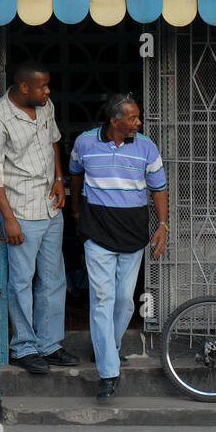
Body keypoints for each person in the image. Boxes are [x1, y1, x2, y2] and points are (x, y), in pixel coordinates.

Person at [0, 64, 79, 374]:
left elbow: (53, 142)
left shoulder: (44, 106)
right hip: (21, 209)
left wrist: (59, 179)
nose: (48, 91)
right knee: (22, 281)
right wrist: (8, 217)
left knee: (53, 278)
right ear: (24, 87)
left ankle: (49, 344)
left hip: (50, 206)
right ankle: (24, 347)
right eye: (43, 86)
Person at [69, 94, 168, 401]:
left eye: (138, 117)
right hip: (96, 233)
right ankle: (108, 372)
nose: (138, 123)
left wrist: (163, 225)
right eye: (133, 118)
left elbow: (158, 188)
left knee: (124, 301)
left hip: (133, 236)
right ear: (114, 121)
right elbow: (75, 174)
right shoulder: (85, 143)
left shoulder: (146, 147)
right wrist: (75, 211)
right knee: (102, 298)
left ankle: (108, 347)